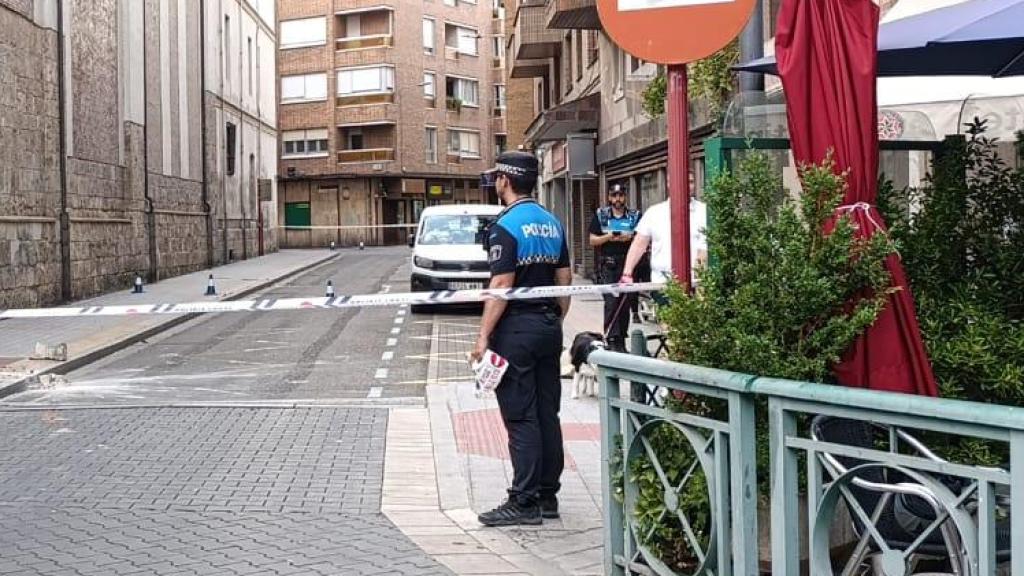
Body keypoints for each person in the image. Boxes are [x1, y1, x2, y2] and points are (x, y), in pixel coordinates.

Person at [470, 151, 572, 527]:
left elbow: (501, 284)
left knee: (521, 416)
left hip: (517, 330)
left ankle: (523, 501)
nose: (495, 182)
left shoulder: (506, 225)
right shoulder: (552, 222)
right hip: (549, 325)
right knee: (548, 413)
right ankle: (548, 495)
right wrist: (554, 321)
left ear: (505, 181)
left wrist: (483, 336)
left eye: (497, 176)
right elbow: (565, 281)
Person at [620, 196, 707, 304]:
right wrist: (627, 273)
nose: (689, 185)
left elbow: (704, 250)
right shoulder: (655, 212)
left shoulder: (704, 211)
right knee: (667, 319)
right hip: (662, 282)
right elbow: (639, 244)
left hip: (696, 284)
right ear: (668, 182)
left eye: (691, 181)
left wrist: (701, 284)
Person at [588, 183, 641, 351]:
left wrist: (630, 238)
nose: (618, 199)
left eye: (621, 195)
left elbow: (642, 239)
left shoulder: (634, 216)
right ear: (610, 197)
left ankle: (621, 339)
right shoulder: (601, 215)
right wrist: (608, 236)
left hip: (627, 264)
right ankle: (611, 337)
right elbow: (592, 240)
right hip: (608, 264)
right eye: (614, 195)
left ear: (625, 196)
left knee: (625, 302)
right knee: (611, 302)